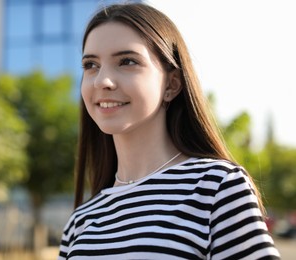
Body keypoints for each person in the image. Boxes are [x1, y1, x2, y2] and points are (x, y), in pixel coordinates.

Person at [58, 2, 280, 259]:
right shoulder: (81, 221)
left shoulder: (217, 187)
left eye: (127, 61)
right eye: (91, 65)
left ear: (172, 84)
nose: (103, 81)